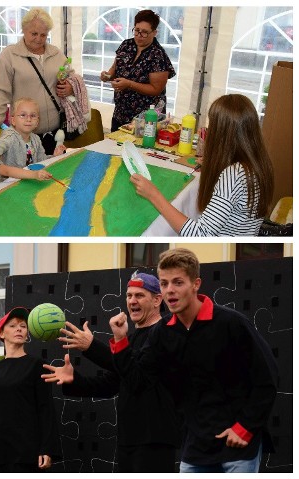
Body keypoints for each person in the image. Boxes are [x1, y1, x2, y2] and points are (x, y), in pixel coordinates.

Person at [108, 248, 278, 473]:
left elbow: (267, 378)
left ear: (195, 284)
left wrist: (244, 427)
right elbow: (138, 381)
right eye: (164, 283)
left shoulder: (231, 323)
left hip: (238, 446)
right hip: (195, 449)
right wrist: (120, 340)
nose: (170, 290)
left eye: (178, 282)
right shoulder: (162, 333)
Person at [41, 272, 179, 472]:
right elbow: (110, 384)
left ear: (157, 299)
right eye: (129, 295)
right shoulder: (130, 339)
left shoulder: (166, 331)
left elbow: (137, 376)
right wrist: (74, 380)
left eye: (139, 295)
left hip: (155, 439)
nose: (132, 301)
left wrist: (91, 347)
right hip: (128, 438)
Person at [130, 94, 274, 236]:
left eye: (212, 126)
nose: (208, 130)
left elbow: (201, 233)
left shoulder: (233, 175)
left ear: (223, 133)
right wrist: (217, 164)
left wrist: (154, 195)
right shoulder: (258, 163)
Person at [0, 306, 59, 472]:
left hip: (24, 453)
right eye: (12, 325)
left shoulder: (37, 366)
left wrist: (47, 449)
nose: (19, 329)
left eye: (23, 326)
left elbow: (46, 409)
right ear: (1, 333)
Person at [0, 8, 76, 156]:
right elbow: (1, 91)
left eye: (43, 35)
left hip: (56, 133)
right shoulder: (9, 55)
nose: (39, 39)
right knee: (27, 173)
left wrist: (70, 87)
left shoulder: (56, 53)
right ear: (23, 30)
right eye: (34, 33)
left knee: (53, 172)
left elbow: (71, 77)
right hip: (24, 135)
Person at [100, 9, 176, 132]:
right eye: (136, 30)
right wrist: (107, 76)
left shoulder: (158, 55)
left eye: (144, 32)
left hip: (146, 120)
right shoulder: (126, 45)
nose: (139, 36)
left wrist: (129, 84)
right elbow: (114, 69)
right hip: (121, 114)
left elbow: (156, 89)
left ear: (154, 32)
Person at [0, 97, 66, 171]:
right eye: (23, 115)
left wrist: (54, 156)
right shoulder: (10, 135)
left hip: (32, 179)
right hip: (12, 182)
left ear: (37, 122)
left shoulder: (36, 139)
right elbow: (0, 145)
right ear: (13, 120)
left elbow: (41, 161)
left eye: (33, 115)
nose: (28, 119)